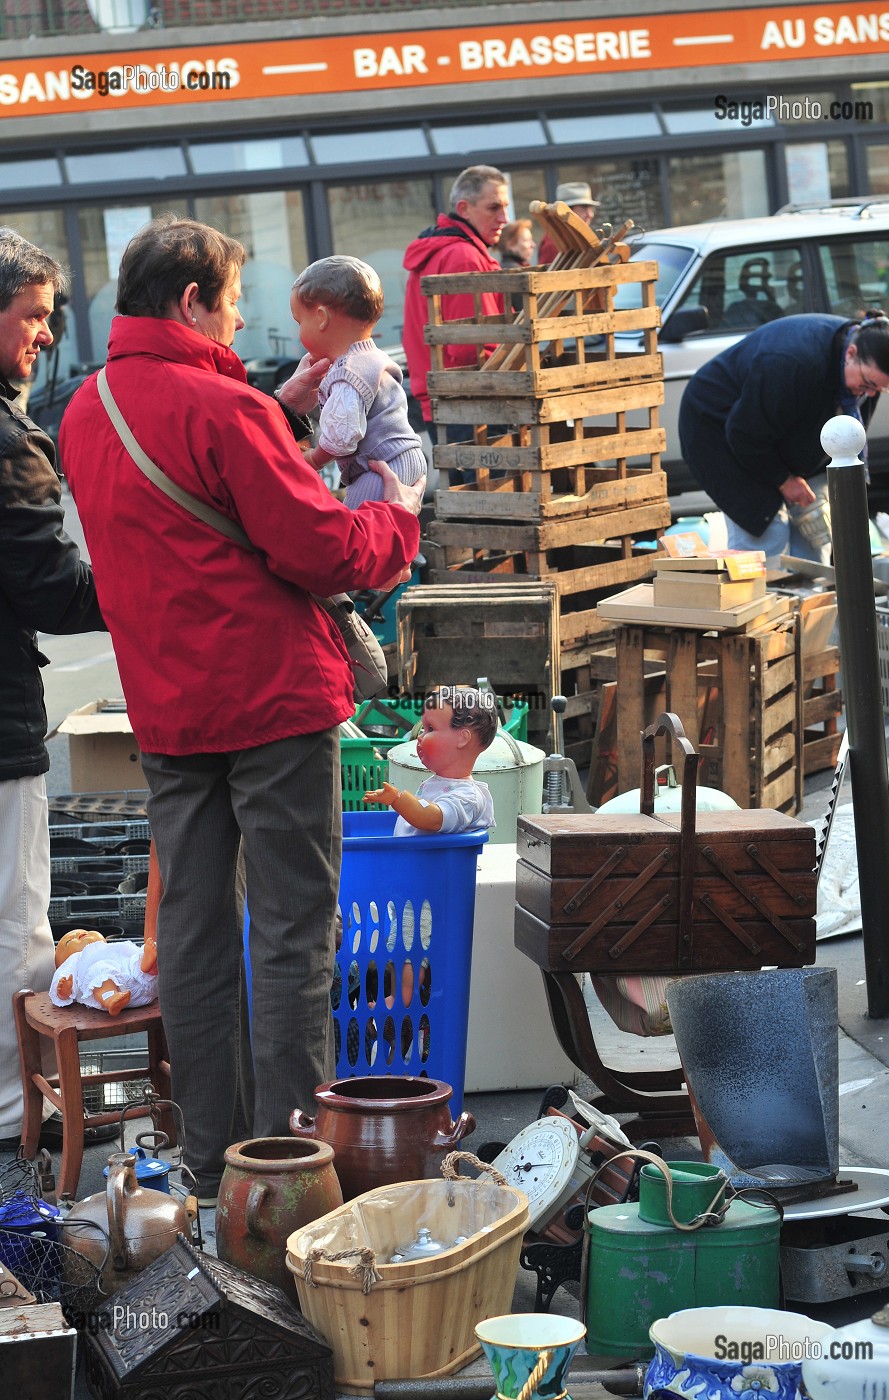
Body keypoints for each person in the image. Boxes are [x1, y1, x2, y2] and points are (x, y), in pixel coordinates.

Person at [59, 215, 422, 1204]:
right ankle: (290, 1165)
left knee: (195, 930)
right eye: (227, 303)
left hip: (169, 705)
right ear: (190, 301)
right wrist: (399, 513)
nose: (234, 323)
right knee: (296, 928)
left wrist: (267, 409)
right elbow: (322, 551)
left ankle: (209, 1159)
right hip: (270, 695)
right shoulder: (226, 408)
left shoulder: (86, 411)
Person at [0, 228, 106, 1155]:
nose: (43, 336)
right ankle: (13, 1116)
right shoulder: (5, 438)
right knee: (14, 918)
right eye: (31, 317)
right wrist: (153, 584)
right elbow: (54, 589)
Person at [678, 311, 889, 565]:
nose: (869, 393)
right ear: (850, 353)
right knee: (767, 532)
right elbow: (745, 434)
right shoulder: (793, 362)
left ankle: (810, 601)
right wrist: (783, 480)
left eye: (880, 389)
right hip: (718, 427)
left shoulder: (864, 375)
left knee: (816, 531)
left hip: (782, 427)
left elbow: (846, 437)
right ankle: (760, 599)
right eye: (867, 384)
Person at [289, 255, 426, 508]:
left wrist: (315, 459)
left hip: (378, 468)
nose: (298, 331)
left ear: (321, 318)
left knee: (361, 537)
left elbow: (343, 434)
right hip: (406, 457)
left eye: (299, 321)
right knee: (394, 538)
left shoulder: (347, 372)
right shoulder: (374, 357)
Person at [402, 164, 508, 439]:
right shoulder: (463, 256)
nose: (504, 218)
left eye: (504, 207)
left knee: (459, 483)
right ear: (464, 209)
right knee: (491, 484)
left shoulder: (439, 251)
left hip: (444, 403)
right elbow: (471, 348)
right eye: (493, 208)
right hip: (472, 402)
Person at [363, 685, 497, 836]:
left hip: (434, 860)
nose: (420, 737)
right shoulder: (437, 783)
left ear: (462, 738)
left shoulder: (467, 798)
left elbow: (432, 819)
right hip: (411, 858)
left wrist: (397, 799)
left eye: (431, 729)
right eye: (423, 729)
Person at [51, 927, 157, 1016]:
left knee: (137, 958)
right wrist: (63, 991)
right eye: (69, 941)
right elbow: (63, 974)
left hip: (141, 983)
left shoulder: (110, 949)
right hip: (117, 991)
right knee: (99, 972)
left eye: (87, 931)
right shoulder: (76, 959)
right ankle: (110, 998)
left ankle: (150, 966)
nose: (79, 934)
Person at [536, 181, 600, 264]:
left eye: (591, 209)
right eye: (584, 209)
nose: (590, 215)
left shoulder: (575, 238)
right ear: (567, 211)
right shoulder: (553, 243)